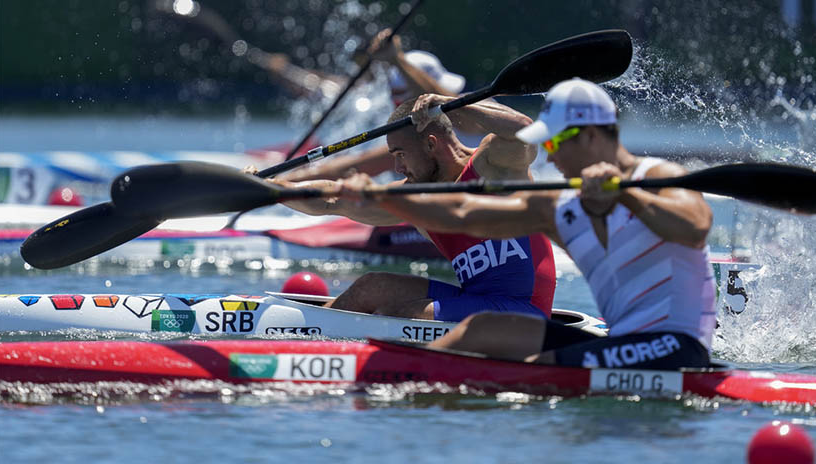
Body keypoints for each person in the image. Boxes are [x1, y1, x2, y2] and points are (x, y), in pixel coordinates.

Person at [339, 78, 716, 370]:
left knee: (538, 372)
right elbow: (464, 215)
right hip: (622, 343)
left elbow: (695, 228)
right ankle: (397, 380)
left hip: (675, 347)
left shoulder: (659, 174)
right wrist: (381, 197)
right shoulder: (561, 206)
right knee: (481, 329)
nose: (549, 161)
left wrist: (625, 194)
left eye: (553, 146)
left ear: (588, 136)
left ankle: (416, 382)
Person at [269, 86, 557, 322]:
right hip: (476, 302)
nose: (396, 167)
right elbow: (334, 199)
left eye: (401, 154)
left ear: (431, 144)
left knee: (408, 316)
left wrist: (452, 104)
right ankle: (306, 333)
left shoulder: (492, 164)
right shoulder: (416, 199)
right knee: (371, 287)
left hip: (525, 312)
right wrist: (275, 189)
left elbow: (526, 130)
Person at [281, 29, 469, 182]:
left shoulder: (473, 115)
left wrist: (397, 60)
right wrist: (282, 182)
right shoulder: (411, 140)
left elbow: (455, 108)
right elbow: (355, 165)